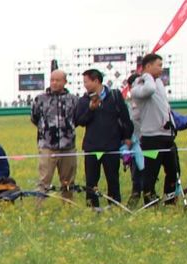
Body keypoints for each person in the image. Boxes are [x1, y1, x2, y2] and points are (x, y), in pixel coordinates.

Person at [73, 67, 132, 208]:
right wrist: (91, 109)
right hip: (92, 147)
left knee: (113, 179)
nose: (85, 85)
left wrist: (127, 137)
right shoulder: (84, 100)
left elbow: (125, 118)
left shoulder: (115, 96)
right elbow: (79, 121)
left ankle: (115, 205)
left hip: (111, 146)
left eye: (87, 82)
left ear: (96, 81)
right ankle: (93, 207)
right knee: (91, 181)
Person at [127, 53, 180, 204]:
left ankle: (170, 200)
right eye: (158, 65)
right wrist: (147, 76)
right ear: (148, 67)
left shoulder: (159, 83)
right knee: (151, 172)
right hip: (151, 137)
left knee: (173, 171)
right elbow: (149, 90)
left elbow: (164, 106)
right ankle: (149, 202)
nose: (161, 69)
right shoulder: (138, 86)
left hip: (166, 135)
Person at [28, 69, 80, 199]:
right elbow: (35, 118)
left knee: (68, 182)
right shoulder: (40, 99)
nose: (54, 83)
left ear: (65, 82)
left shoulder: (73, 100)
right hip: (47, 147)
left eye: (58, 80)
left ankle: (67, 208)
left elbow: (77, 119)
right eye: (52, 80)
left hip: (68, 147)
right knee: (44, 180)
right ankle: (38, 210)